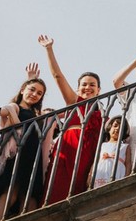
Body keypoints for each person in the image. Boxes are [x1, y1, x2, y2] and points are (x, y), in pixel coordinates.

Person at [38, 34, 103, 204]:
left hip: (89, 156)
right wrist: (49, 49)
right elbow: (57, 76)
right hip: (68, 151)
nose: (87, 87)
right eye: (84, 84)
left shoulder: (104, 112)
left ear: (99, 90)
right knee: (57, 192)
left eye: (92, 85)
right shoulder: (74, 102)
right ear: (78, 88)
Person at [0, 77, 47, 221]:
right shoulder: (16, 107)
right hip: (18, 155)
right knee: (10, 193)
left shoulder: (36, 114)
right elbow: (6, 110)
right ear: (22, 90)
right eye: (32, 89)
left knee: (29, 195)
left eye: (39, 93)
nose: (35, 94)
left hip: (33, 156)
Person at [90, 116, 131, 188]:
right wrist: (90, 175)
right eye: (115, 126)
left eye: (121, 128)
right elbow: (96, 161)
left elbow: (128, 163)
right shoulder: (102, 145)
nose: (117, 128)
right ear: (109, 129)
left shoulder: (125, 147)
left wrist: (127, 177)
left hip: (117, 172)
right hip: (101, 172)